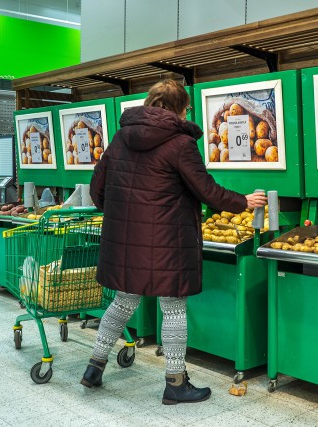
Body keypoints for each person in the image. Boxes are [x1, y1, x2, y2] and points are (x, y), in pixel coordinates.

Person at [81, 79, 268, 405]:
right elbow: (207, 190)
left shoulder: (121, 137)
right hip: (168, 241)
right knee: (173, 308)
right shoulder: (181, 143)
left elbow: (97, 189)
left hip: (126, 243)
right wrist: (245, 201)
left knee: (123, 303)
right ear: (182, 108)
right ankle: (175, 383)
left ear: (151, 102)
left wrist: (122, 215)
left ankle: (94, 367)